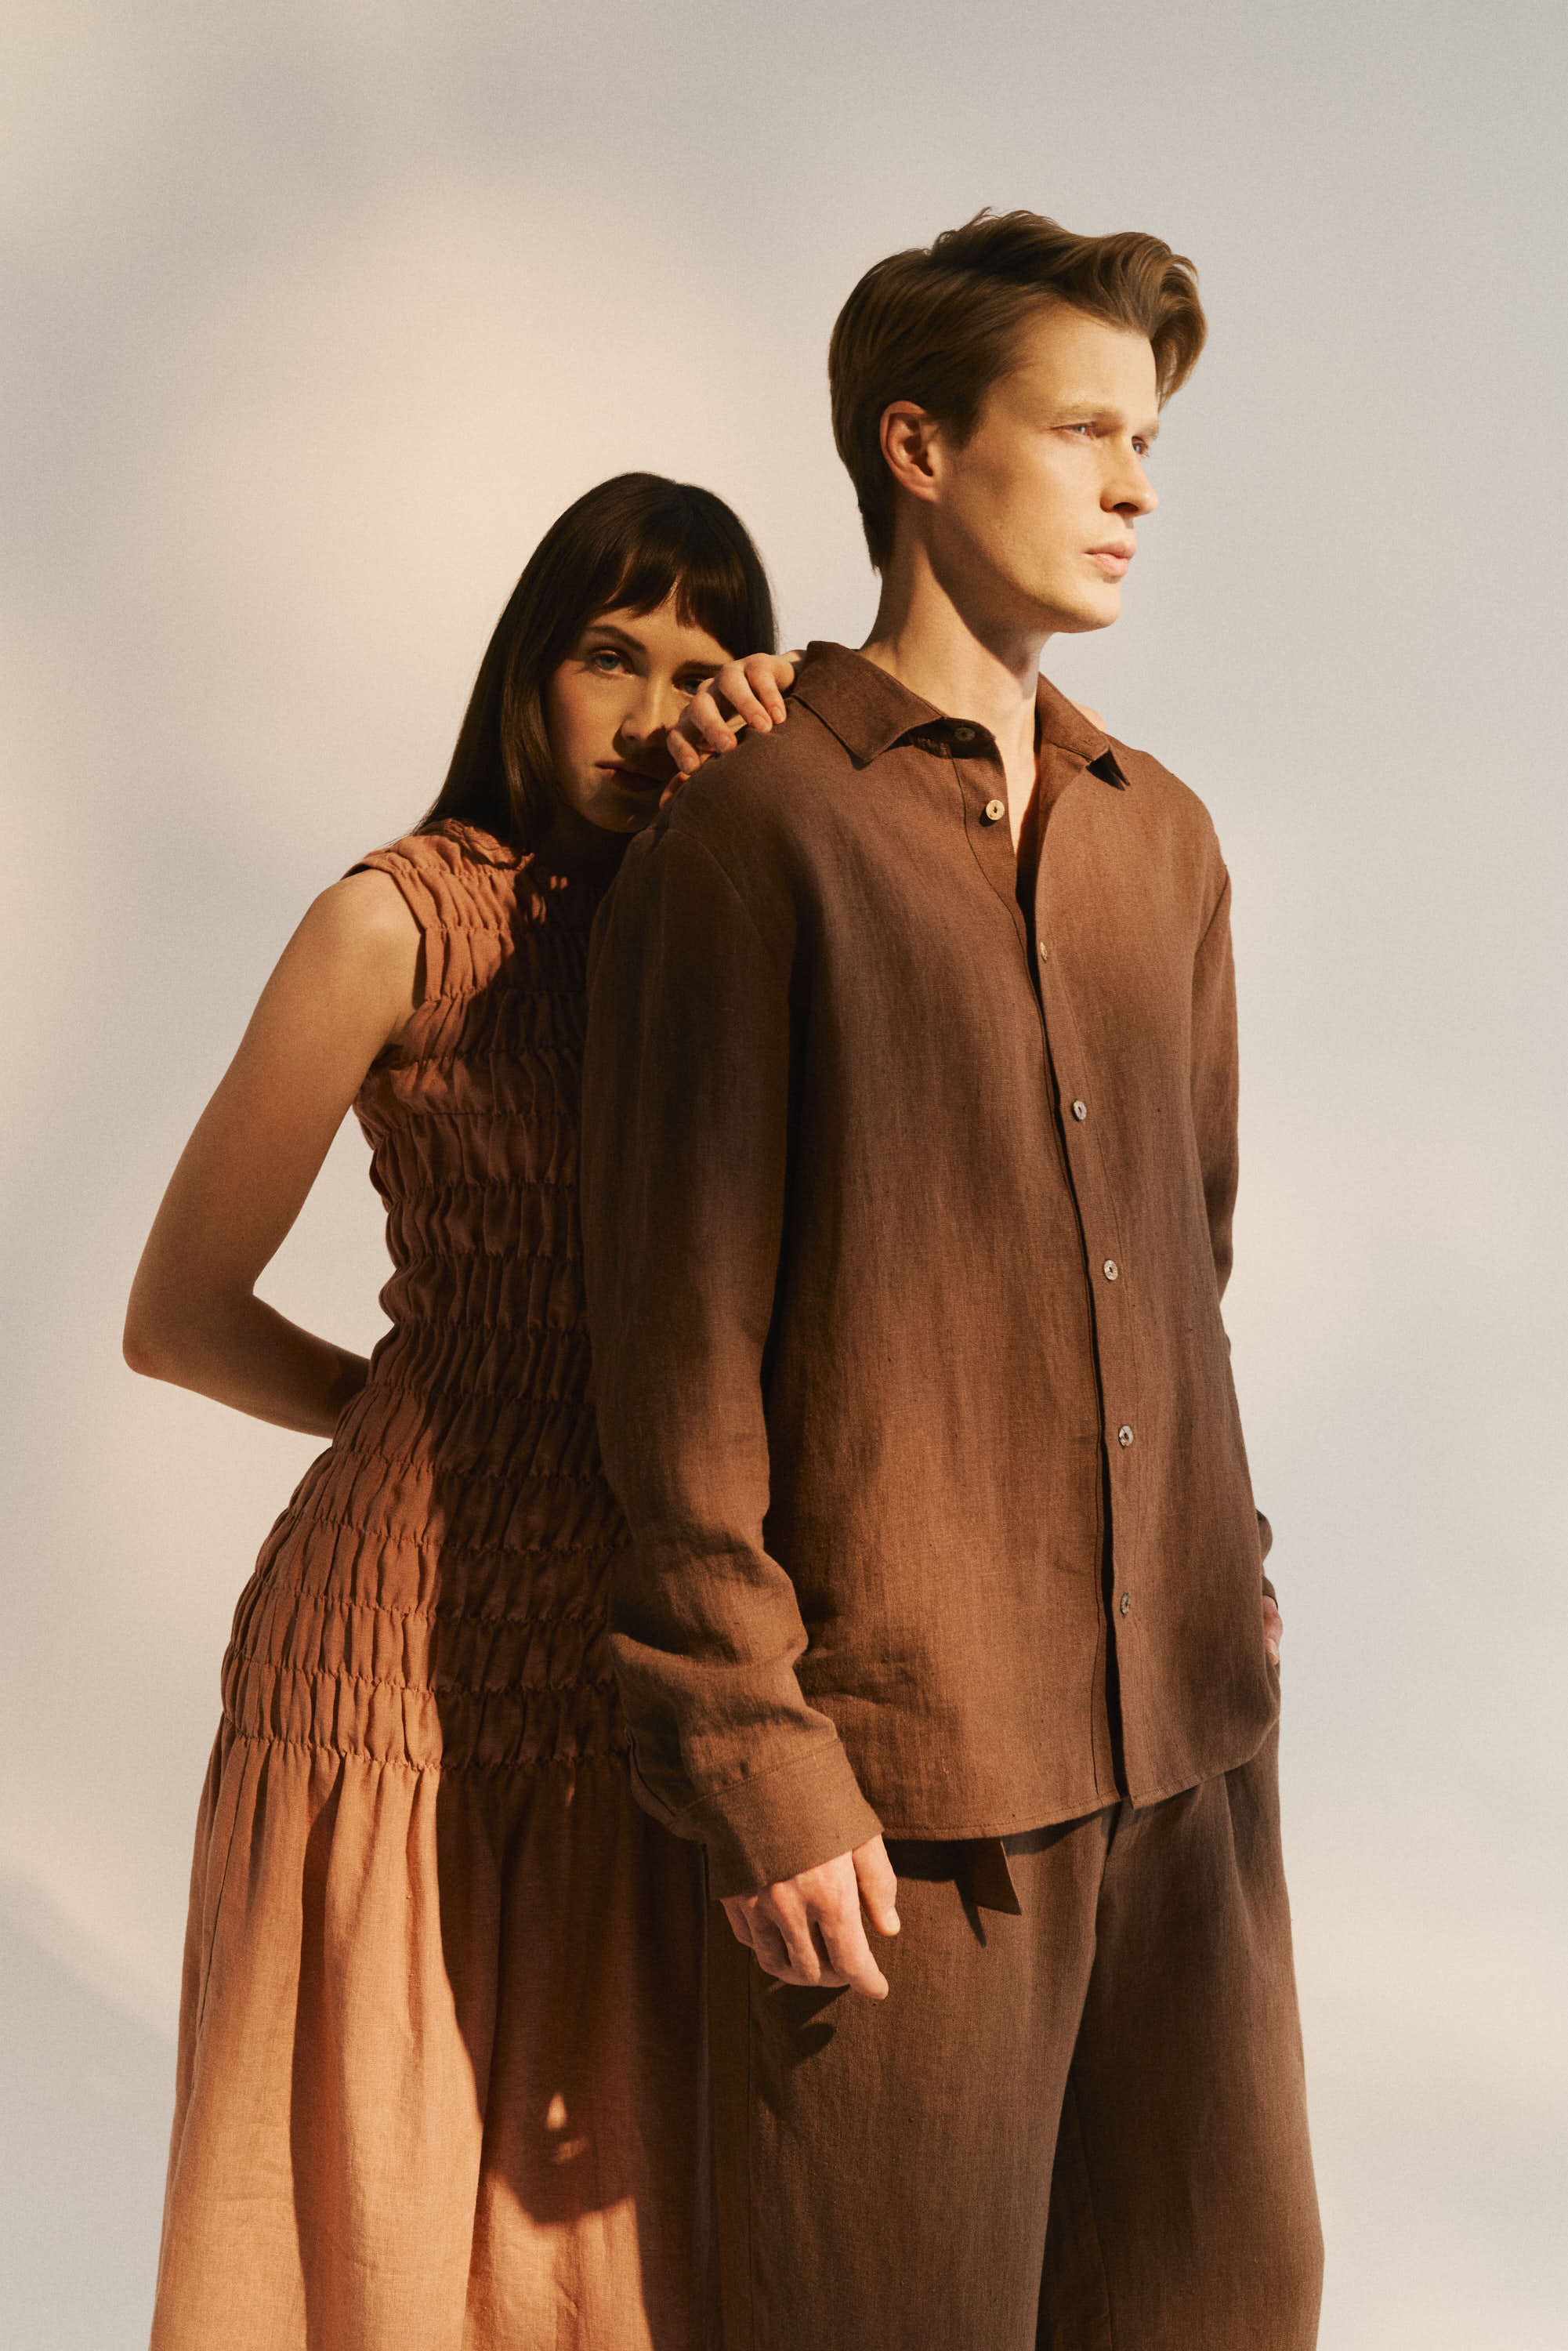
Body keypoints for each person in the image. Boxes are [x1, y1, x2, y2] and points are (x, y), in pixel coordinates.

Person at [581, 216, 1324, 2349]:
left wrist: (1226, 1561)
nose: (1134, 488)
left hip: (1186, 1753)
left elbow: (1185, 1255)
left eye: (1147, 440)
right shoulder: (753, 840)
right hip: (900, 1799)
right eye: (1083, 431)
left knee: (1227, 2308)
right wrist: (756, 1756)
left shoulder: (1160, 840)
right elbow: (676, 1356)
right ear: (916, 448)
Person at [123, 472, 798, 2351]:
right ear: (527, 669)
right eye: (608, 656)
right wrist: (423, 1411)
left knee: (616, 2274)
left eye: (701, 672)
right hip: (386, 1675)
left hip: (648, 1676)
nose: (650, 714)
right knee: (360, 2249)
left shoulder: (753, 935)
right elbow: (176, 1316)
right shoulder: (390, 924)